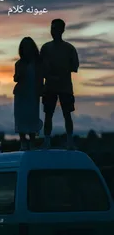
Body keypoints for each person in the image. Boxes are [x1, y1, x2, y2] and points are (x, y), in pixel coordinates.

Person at [40, 19, 79, 149]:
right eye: (52, 28)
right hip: (50, 87)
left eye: (56, 28)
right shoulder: (45, 48)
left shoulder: (69, 48)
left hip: (65, 87)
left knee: (67, 114)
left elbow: (75, 66)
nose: (53, 31)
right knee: (48, 114)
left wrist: (60, 71)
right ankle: (47, 141)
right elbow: (41, 68)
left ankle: (69, 140)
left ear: (62, 30)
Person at [13, 37, 43, 150]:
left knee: (32, 118)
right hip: (21, 94)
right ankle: (23, 143)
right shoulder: (19, 63)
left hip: (33, 93)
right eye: (24, 48)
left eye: (28, 47)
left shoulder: (38, 63)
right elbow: (16, 78)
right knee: (20, 118)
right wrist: (19, 75)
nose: (26, 50)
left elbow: (41, 78)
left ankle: (32, 143)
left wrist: (41, 90)